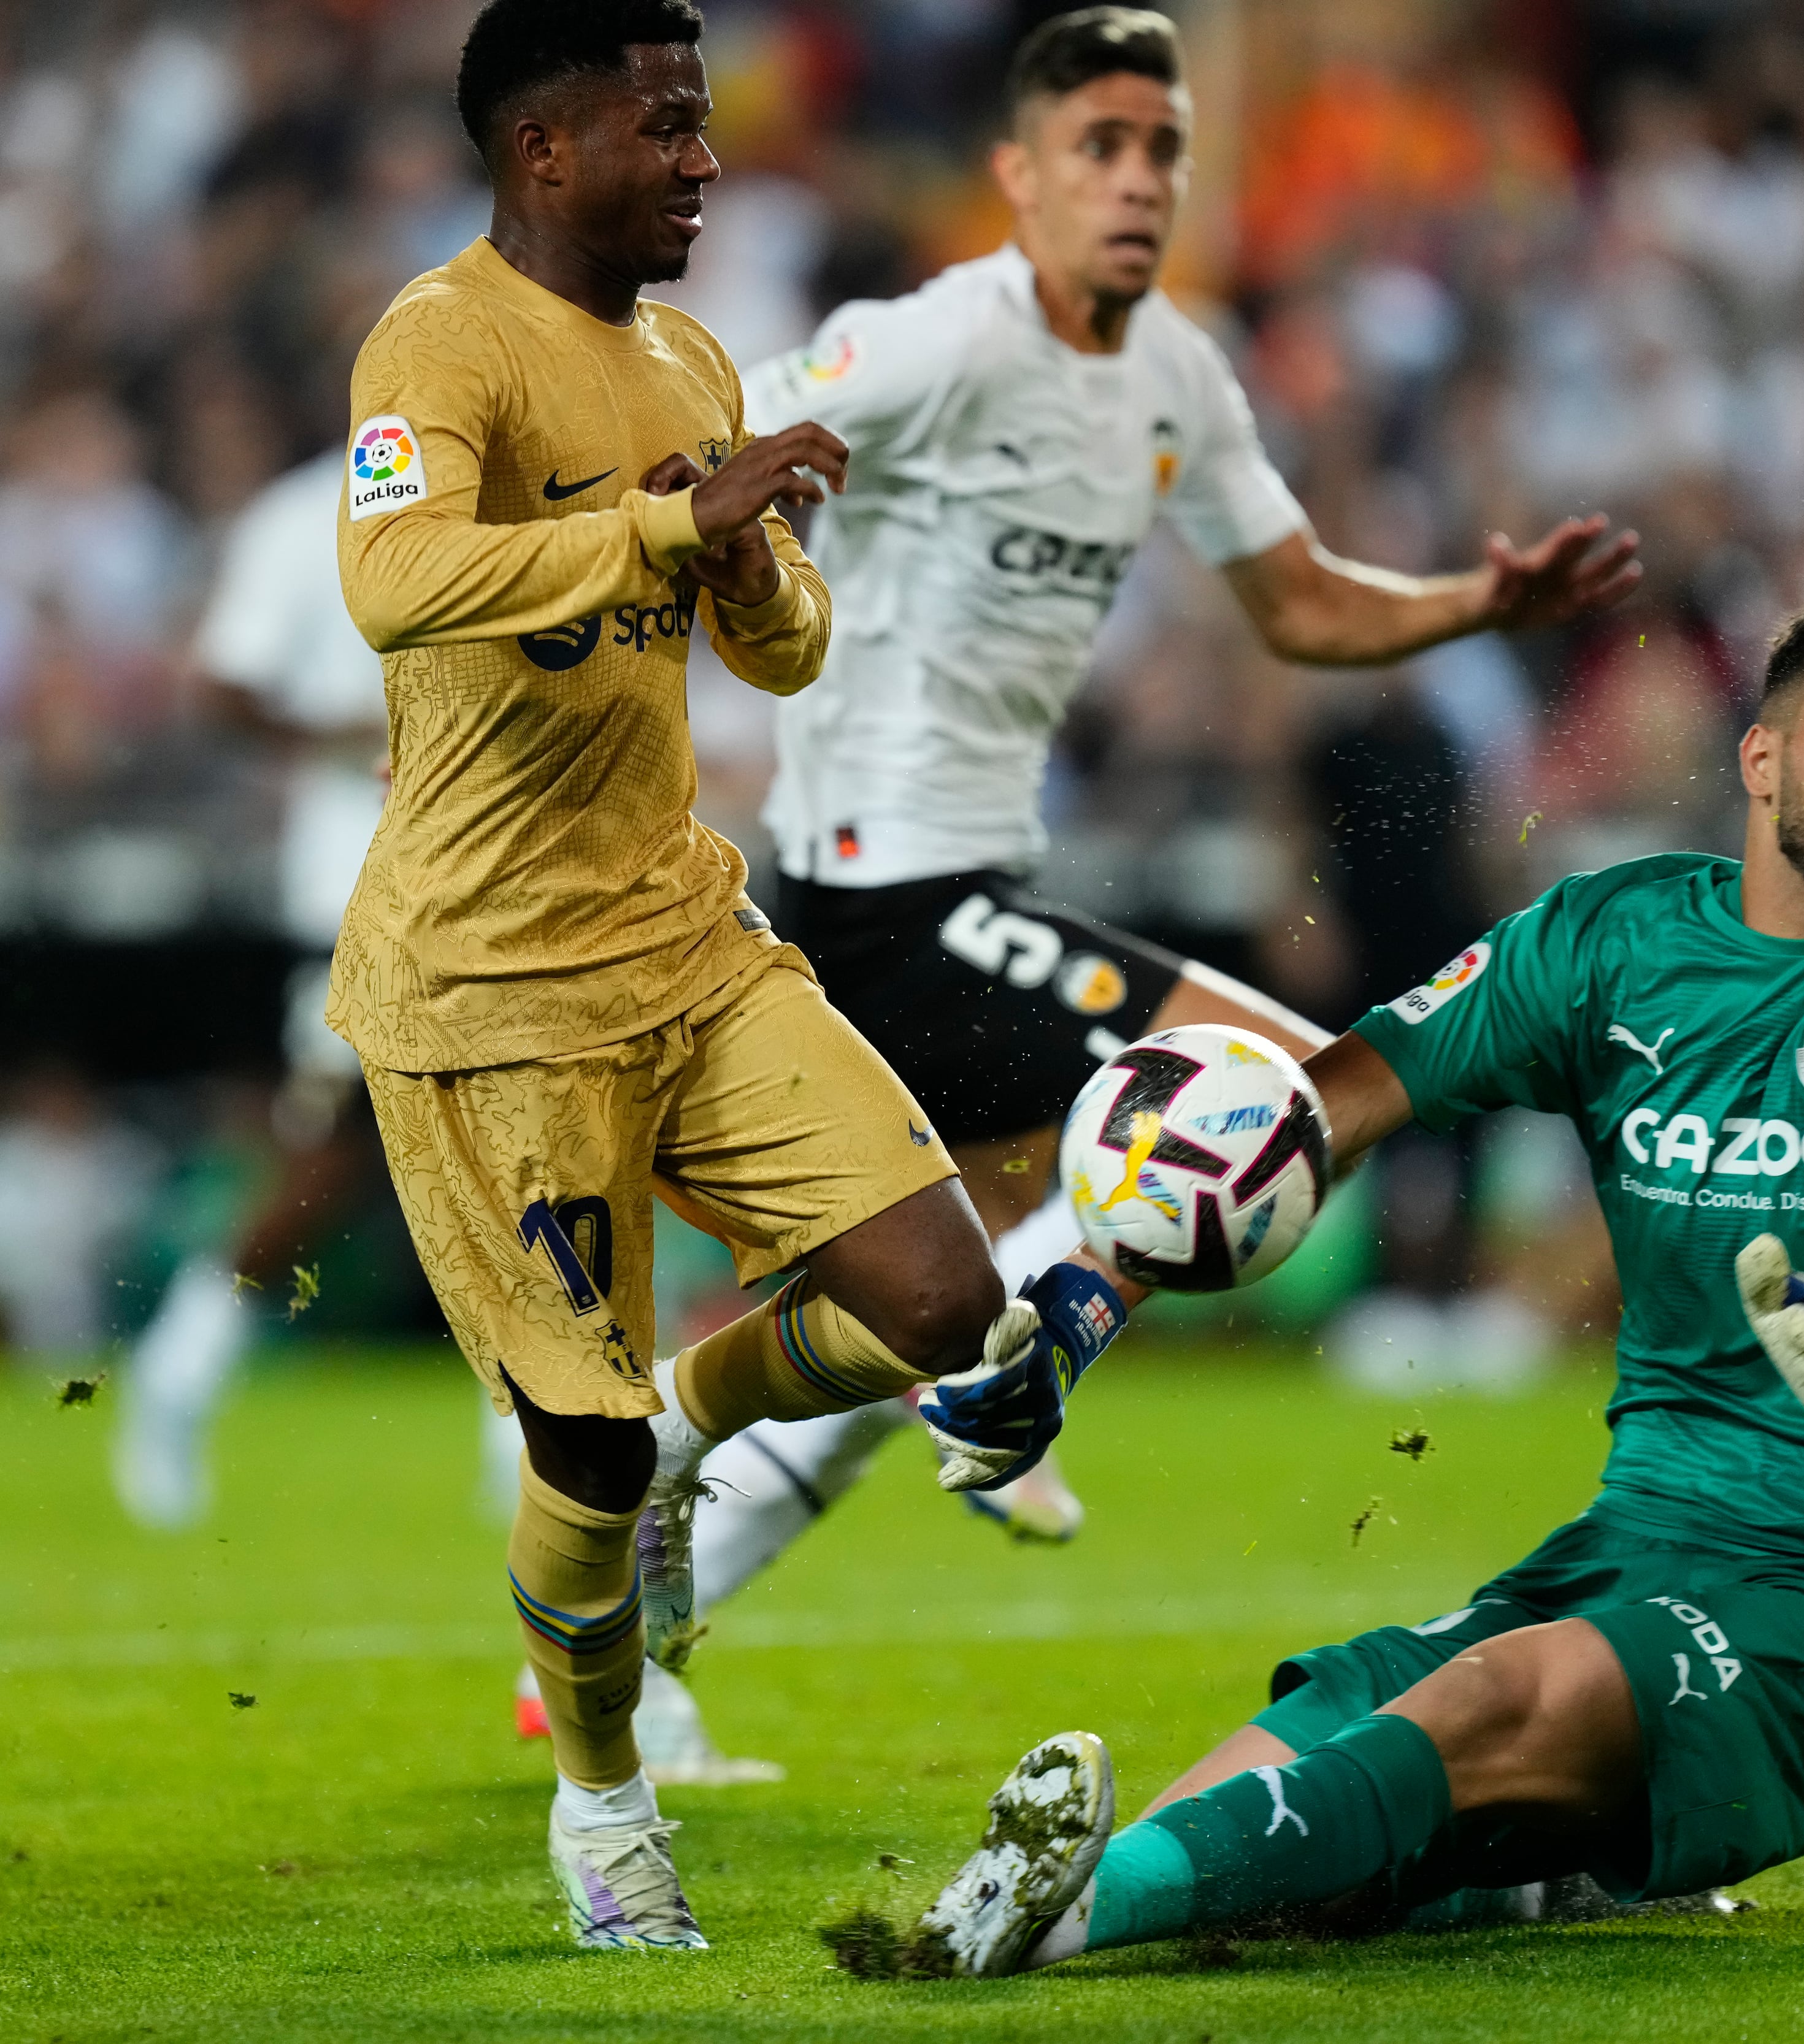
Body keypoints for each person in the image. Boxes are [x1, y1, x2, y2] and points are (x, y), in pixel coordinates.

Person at [667, 4, 1640, 1744]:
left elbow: (1303, 601)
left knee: (909, 1309)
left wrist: (1476, 602)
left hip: (972, 889)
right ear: (1020, 177)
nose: (1136, 183)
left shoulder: (1178, 374)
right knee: (1271, 1080)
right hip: (880, 894)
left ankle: (644, 1616)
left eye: (1162, 153)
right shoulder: (932, 340)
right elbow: (709, 441)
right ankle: (1030, 1371)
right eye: (1100, 151)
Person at [877, 584, 1804, 1977]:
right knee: (1315, 1735)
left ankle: (1037, 1925)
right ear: (1760, 755)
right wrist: (1077, 1311)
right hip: (1628, 1548)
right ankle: (1513, 1879)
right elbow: (1298, 1127)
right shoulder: (1607, 942)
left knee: (1503, 1692)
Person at [333, 0, 1145, 1951]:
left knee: (945, 1296)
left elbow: (775, 654)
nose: (705, 160)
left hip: (686, 938)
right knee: (578, 1454)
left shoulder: (688, 352)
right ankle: (606, 1796)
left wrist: (760, 549)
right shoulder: (440, 341)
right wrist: (657, 519)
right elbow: (392, 577)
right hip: (487, 987)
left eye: (702, 126)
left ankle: (697, 1420)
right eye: (667, 127)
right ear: (547, 150)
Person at [115, 442, 394, 1528]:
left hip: (509, 872)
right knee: (329, 1168)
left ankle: (535, 1444)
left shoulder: (525, 485)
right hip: (355, 880)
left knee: (537, 1144)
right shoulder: (304, 510)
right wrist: (354, 732)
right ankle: (179, 1371)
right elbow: (223, 683)